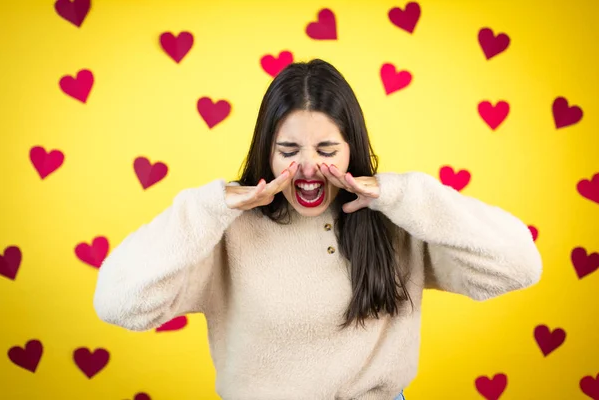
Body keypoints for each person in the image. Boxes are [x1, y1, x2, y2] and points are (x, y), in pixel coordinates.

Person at [93, 59, 543, 400]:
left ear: (352, 150)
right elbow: (119, 304)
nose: (307, 167)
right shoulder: (225, 232)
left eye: (327, 148)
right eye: (288, 150)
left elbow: (518, 265)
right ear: (266, 153)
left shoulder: (396, 220)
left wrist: (406, 194)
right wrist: (207, 207)